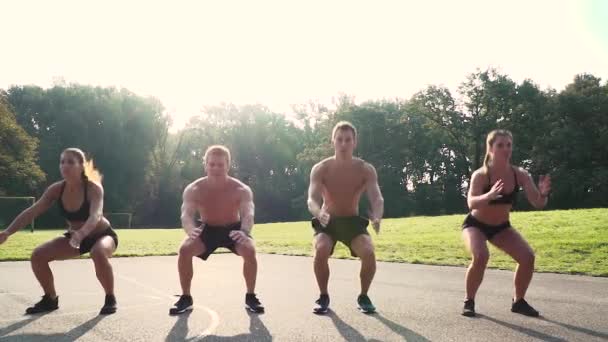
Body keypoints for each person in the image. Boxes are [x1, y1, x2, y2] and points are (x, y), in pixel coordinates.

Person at [0, 148, 118, 315]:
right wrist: (8, 232)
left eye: (70, 162)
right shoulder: (56, 189)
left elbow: (96, 215)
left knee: (97, 252)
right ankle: (50, 299)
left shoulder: (93, 188)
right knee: (38, 256)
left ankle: (110, 297)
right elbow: (32, 212)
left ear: (81, 166)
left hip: (102, 234)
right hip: (75, 238)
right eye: (62, 162)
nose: (65, 165)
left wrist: (81, 233)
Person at [461, 129, 551, 317]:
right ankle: (469, 301)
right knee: (481, 255)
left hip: (501, 227)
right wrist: (489, 195)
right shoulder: (481, 175)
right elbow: (471, 203)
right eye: (500, 145)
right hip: (475, 225)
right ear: (491, 149)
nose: (505, 149)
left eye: (509, 145)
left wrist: (543, 193)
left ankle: (518, 302)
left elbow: (538, 203)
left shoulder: (520, 174)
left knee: (527, 257)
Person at [169, 145, 264, 315]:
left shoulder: (241, 189)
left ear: (228, 165)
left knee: (249, 250)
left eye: (220, 164)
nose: (216, 168)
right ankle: (186, 298)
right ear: (205, 165)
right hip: (206, 230)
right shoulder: (194, 189)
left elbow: (248, 214)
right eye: (212, 164)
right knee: (184, 250)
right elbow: (186, 215)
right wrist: (190, 230)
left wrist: (244, 231)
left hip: (234, 230)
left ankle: (251, 296)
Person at [307, 121, 384, 314]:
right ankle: (323, 296)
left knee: (368, 252)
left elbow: (377, 197)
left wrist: (377, 215)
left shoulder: (365, 169)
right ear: (333, 141)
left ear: (354, 142)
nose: (343, 144)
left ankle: (364, 296)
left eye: (348, 140)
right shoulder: (321, 168)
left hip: (352, 222)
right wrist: (318, 212)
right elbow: (311, 199)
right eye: (339, 139)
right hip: (328, 221)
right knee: (321, 248)